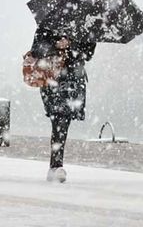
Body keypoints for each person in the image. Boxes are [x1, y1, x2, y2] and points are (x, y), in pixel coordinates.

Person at [29, 27, 96, 183]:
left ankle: (55, 166)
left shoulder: (85, 27)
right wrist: (56, 45)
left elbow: (89, 53)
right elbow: (37, 49)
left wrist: (71, 44)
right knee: (59, 118)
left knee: (63, 120)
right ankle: (56, 165)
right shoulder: (48, 25)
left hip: (73, 80)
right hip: (53, 78)